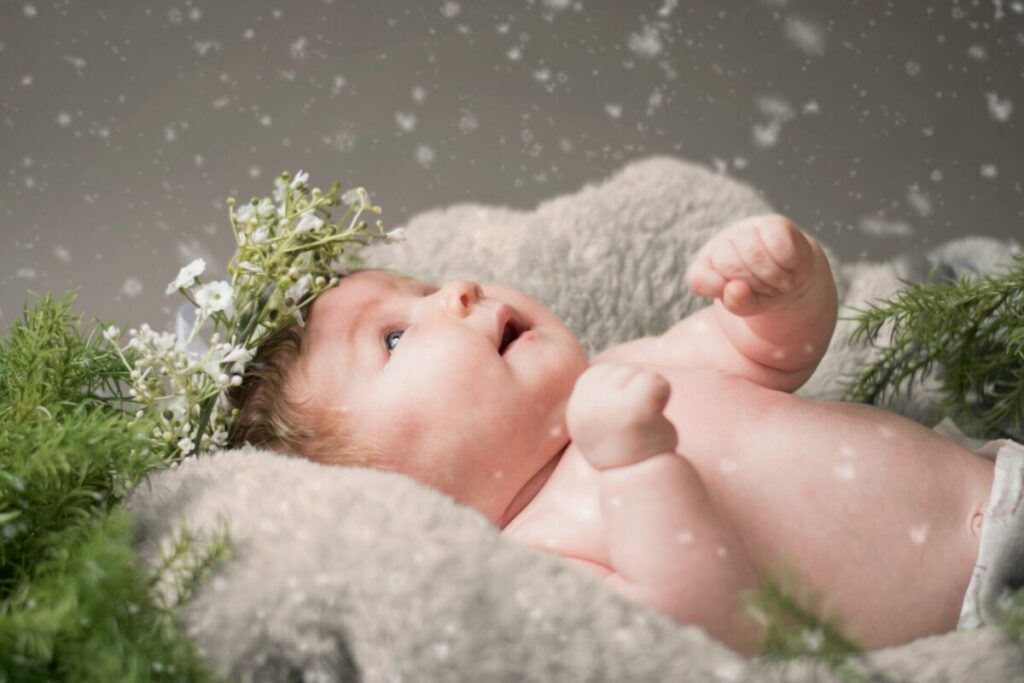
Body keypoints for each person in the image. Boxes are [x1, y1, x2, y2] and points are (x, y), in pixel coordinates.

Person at [226, 215, 1002, 656]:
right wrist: (636, 464)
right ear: (386, 491)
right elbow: (703, 623)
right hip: (979, 602)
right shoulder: (539, 553)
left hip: (996, 476)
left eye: (425, 289)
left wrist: (784, 289)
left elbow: (767, 352)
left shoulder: (631, 363)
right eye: (393, 338)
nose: (457, 291)